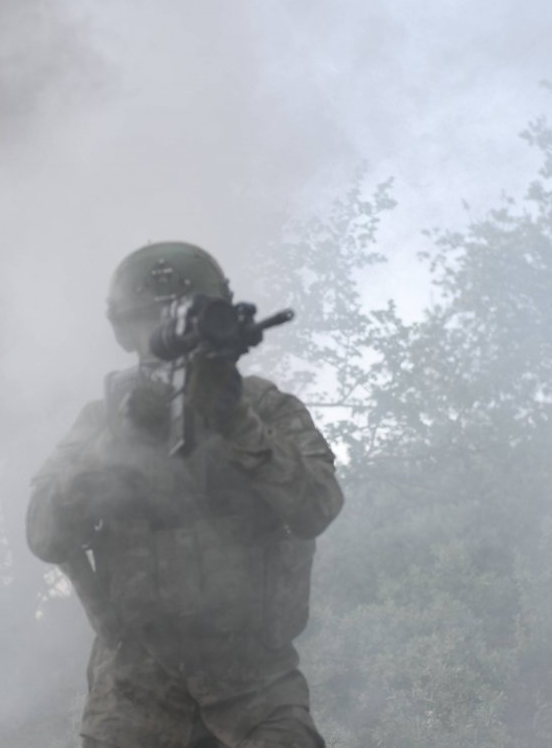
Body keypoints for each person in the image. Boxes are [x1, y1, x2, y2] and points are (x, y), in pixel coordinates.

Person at [26, 241, 344, 748]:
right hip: (134, 695)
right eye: (148, 322)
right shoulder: (101, 420)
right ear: (125, 332)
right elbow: (44, 534)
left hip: (253, 688)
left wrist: (236, 420)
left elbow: (316, 507)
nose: (162, 336)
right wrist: (117, 442)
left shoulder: (264, 408)